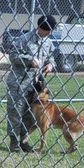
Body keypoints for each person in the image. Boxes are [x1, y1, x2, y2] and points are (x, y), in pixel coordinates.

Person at [6, 15, 57, 152]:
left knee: (30, 115)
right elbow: (13, 56)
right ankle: (14, 142)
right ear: (41, 28)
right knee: (15, 112)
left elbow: (52, 56)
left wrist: (51, 64)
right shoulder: (25, 39)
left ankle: (24, 141)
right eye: (49, 30)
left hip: (36, 87)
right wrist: (30, 60)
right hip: (19, 83)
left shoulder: (48, 42)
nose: (50, 33)